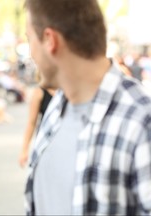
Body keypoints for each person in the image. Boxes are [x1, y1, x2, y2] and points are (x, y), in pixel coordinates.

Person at [24, 0, 151, 215]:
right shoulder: (55, 109)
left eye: (29, 40)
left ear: (50, 40)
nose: (30, 53)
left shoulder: (141, 123)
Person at [18, 72, 56, 168]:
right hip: (46, 141)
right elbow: (31, 122)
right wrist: (24, 150)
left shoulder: (66, 89)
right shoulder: (39, 91)